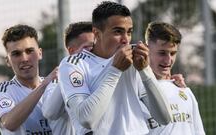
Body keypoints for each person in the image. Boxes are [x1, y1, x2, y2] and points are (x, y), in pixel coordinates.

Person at [58, 1, 172, 135]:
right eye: (118, 32)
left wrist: (145, 70)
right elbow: (86, 119)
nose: (126, 40)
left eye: (129, 32)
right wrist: (115, 70)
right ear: (97, 33)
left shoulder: (134, 60)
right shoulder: (73, 64)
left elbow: (164, 118)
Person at [0, 24, 58, 134]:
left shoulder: (57, 84)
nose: (24, 59)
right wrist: (43, 85)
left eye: (30, 51)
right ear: (8, 60)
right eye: (16, 54)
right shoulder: (2, 90)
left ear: (40, 53)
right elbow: (9, 124)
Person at [143, 21, 205, 135]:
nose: (168, 60)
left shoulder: (184, 91)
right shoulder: (135, 91)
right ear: (147, 49)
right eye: (162, 53)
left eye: (172, 53)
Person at [42, 21, 94, 135]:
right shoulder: (57, 80)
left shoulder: (105, 66)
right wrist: (66, 78)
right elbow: (49, 113)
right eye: (87, 47)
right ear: (71, 51)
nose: (92, 51)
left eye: (94, 46)